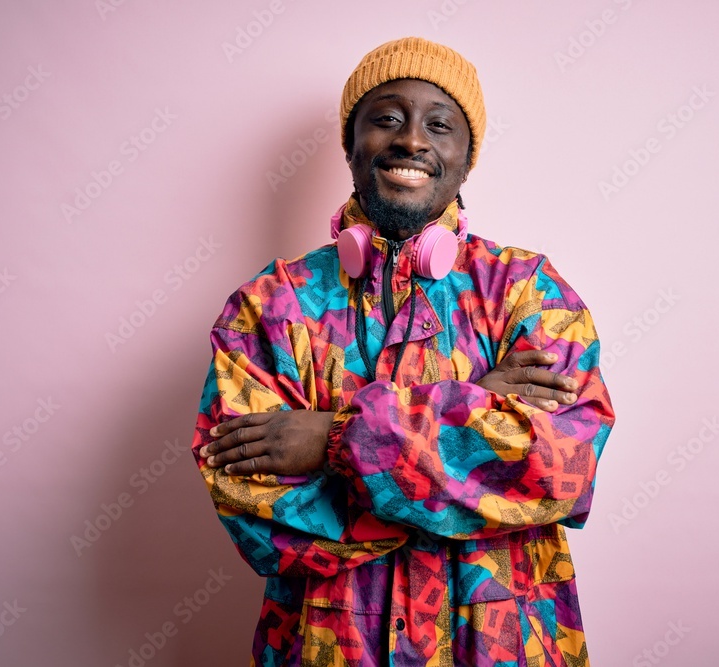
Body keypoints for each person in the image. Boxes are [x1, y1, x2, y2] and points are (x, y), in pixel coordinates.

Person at [190, 36, 616, 666]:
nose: (411, 140)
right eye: (386, 118)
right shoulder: (269, 307)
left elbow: (561, 468)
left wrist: (335, 440)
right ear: (349, 144)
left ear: (466, 160)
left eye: (439, 125)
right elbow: (253, 508)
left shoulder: (529, 291)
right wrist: (476, 421)